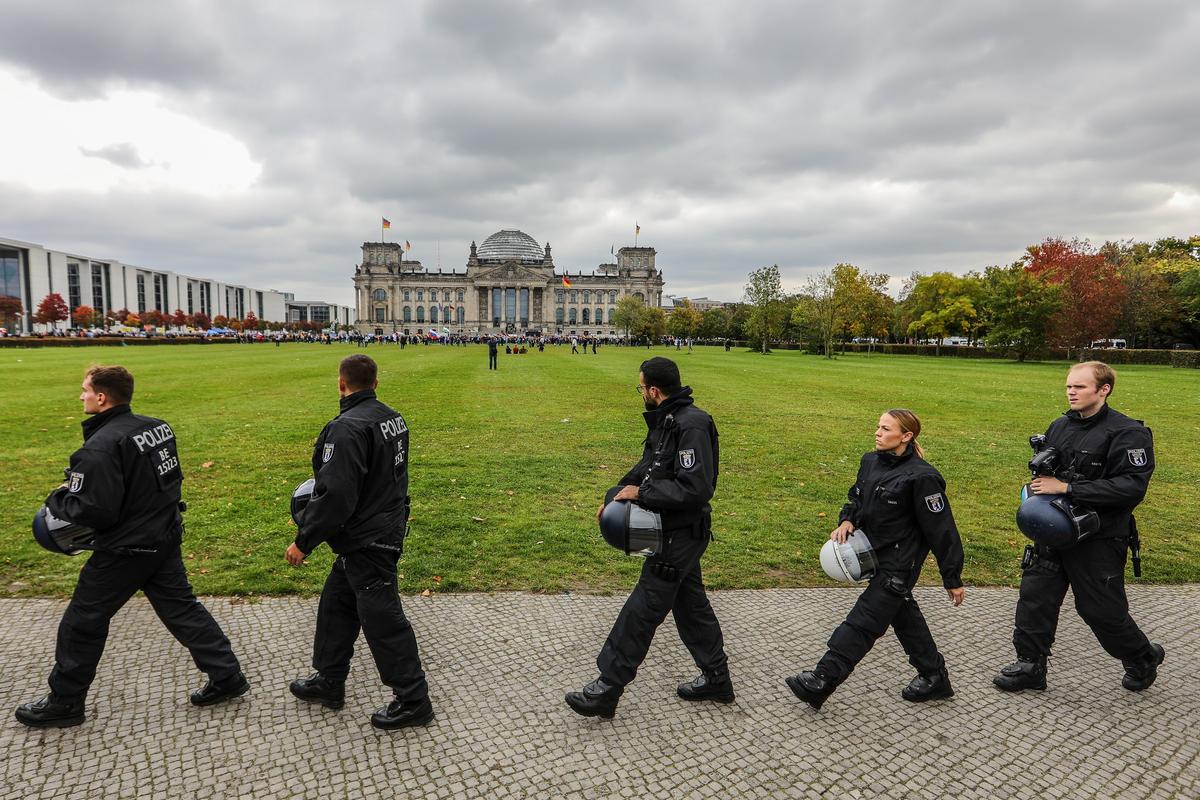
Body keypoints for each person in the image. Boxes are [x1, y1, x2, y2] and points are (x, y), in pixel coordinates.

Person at [16, 366, 247, 728]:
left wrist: (58, 498)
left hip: (125, 549)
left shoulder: (98, 449)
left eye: (85, 390)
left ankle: (65, 701)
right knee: (181, 609)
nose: (81, 396)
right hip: (163, 534)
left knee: (82, 623)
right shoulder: (157, 426)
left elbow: (95, 511)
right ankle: (226, 674)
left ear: (102, 397)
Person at [566, 357, 732, 718]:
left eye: (641, 388)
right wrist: (614, 496)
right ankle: (717, 677)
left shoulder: (693, 426)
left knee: (641, 610)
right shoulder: (668, 421)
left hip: (680, 534)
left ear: (654, 390)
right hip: (672, 530)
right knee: (691, 608)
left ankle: (607, 687)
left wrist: (640, 495)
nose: (641, 393)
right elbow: (648, 467)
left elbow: (696, 488)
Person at [993, 361, 1163, 692]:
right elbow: (1050, 471)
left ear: (1104, 390)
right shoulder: (1060, 426)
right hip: (1054, 531)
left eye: (1080, 387)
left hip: (1099, 537)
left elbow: (1131, 487)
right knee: (1035, 597)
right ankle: (1030, 665)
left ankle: (1141, 657)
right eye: (1069, 386)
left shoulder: (1128, 433)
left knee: (1101, 611)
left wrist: (1068, 488)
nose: (1071, 391)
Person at [286, 355, 433, 729]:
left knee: (383, 619)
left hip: (369, 537)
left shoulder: (347, 428)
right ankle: (330, 680)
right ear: (376, 383)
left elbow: (335, 495)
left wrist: (304, 541)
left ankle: (413, 699)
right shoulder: (391, 417)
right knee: (337, 605)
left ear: (340, 383)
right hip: (378, 526)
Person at [785, 409, 965, 710]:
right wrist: (847, 520)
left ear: (905, 436)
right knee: (905, 618)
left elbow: (942, 530)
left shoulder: (923, 478)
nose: (878, 433)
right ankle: (934, 676)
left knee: (863, 621)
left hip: (899, 565)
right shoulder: (870, 461)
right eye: (878, 427)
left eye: (885, 428)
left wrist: (952, 577)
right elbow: (856, 498)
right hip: (870, 557)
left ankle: (821, 680)